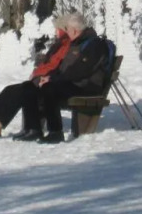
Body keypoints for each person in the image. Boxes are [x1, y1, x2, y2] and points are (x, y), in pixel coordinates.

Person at [0, 15, 73, 140]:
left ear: (63, 29)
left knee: (20, 91)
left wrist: (41, 74)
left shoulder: (65, 45)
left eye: (57, 29)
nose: (55, 31)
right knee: (10, 90)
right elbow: (48, 63)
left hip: (47, 82)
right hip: (42, 78)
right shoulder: (59, 44)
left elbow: (55, 66)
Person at [23, 12, 111, 144]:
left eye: (68, 29)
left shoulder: (93, 45)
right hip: (76, 84)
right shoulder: (77, 43)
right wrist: (50, 77)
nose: (66, 32)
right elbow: (66, 69)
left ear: (75, 30)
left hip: (87, 87)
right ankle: (33, 129)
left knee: (49, 89)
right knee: (34, 88)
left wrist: (53, 79)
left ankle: (55, 132)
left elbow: (80, 70)